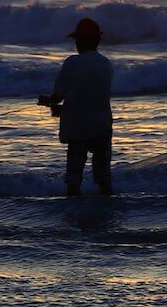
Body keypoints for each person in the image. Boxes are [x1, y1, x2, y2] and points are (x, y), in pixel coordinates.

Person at [38, 17, 114, 196]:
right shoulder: (106, 64)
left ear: (83, 41)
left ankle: (74, 214)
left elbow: (58, 98)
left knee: (74, 178)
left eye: (78, 40)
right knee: (103, 177)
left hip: (78, 128)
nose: (76, 44)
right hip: (102, 126)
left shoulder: (73, 63)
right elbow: (91, 97)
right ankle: (108, 214)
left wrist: (46, 100)